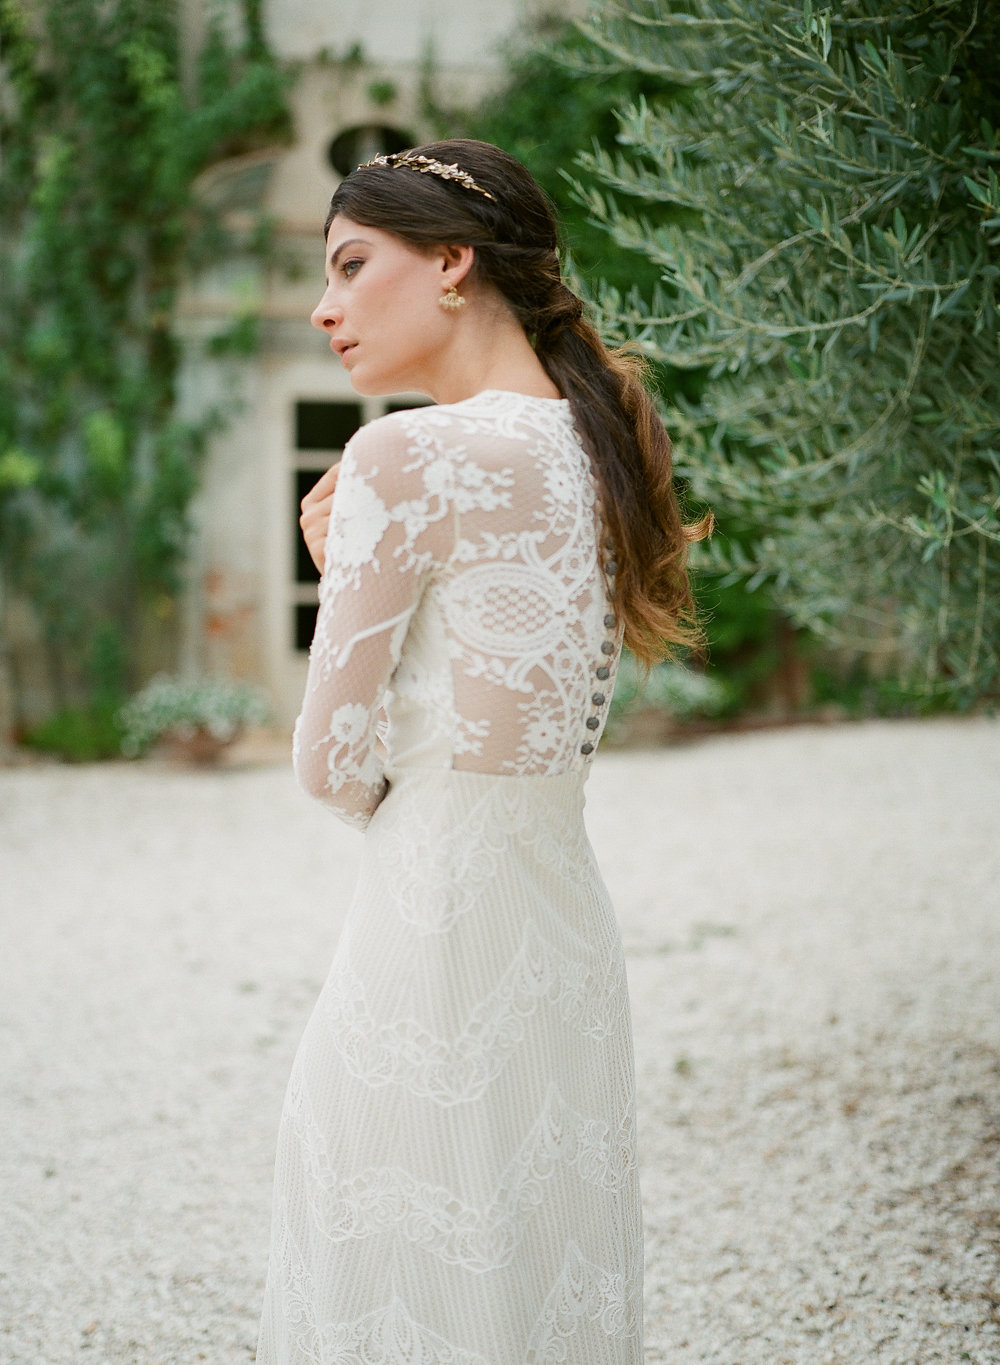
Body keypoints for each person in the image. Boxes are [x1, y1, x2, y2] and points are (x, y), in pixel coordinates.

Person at [256, 138, 708, 1365]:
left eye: (352, 265)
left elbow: (331, 764)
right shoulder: (597, 447)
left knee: (405, 1276)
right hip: (560, 934)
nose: (324, 305)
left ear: (453, 263)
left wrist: (345, 568)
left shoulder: (404, 456)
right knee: (532, 1272)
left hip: (429, 931)